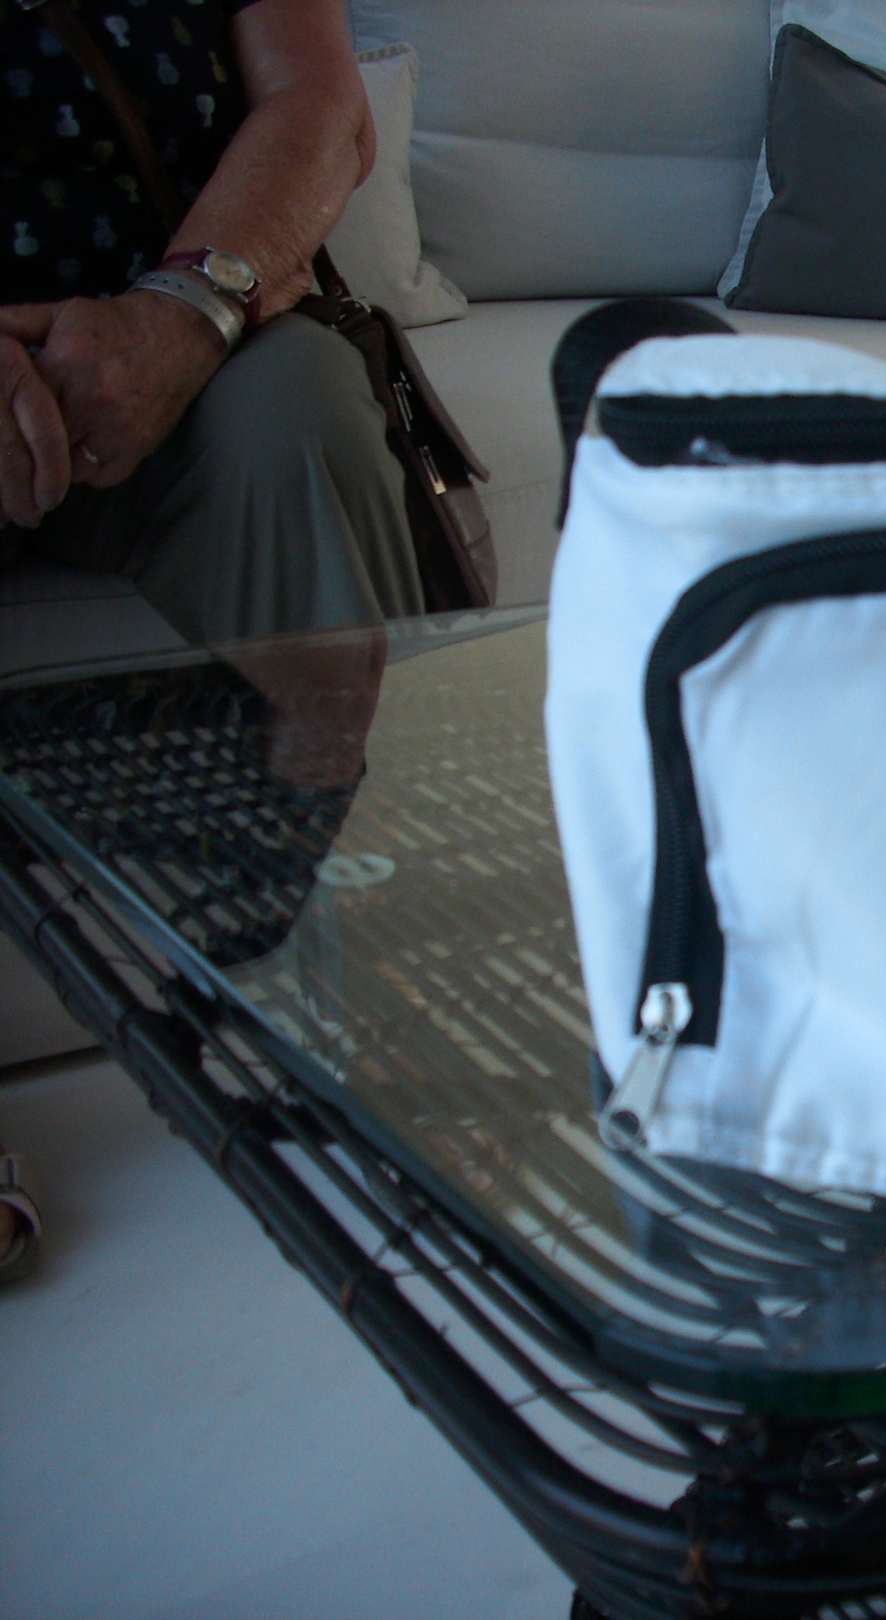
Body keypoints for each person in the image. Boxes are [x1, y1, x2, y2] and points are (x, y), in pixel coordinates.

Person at [3, 0, 422, 1284]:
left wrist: (183, 315)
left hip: (177, 330)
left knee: (301, 417)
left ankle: (388, 976)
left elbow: (318, 106)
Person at [2, 0, 424, 646]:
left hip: (191, 332)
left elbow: (318, 104)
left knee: (298, 402)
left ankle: (361, 715)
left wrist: (181, 317)